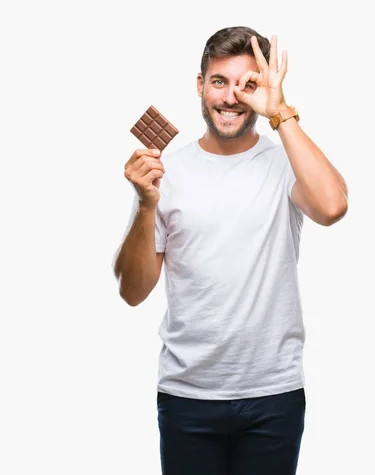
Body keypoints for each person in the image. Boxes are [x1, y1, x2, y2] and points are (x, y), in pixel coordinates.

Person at [113, 26, 348, 475]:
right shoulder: (168, 172)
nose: (231, 97)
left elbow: (333, 207)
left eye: (248, 84)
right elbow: (132, 291)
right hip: (188, 395)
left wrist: (279, 111)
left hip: (273, 394)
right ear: (200, 85)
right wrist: (146, 205)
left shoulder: (286, 163)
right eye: (219, 81)